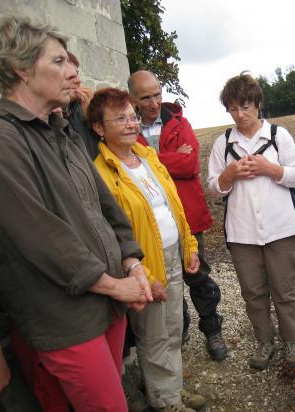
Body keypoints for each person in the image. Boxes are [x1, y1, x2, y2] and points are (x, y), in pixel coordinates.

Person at [0, 17, 153, 412]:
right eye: (60, 61)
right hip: (66, 317)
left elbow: (104, 206)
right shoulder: (3, 140)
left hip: (109, 300)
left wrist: (132, 263)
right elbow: (40, 236)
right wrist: (116, 285)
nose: (73, 72)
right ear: (22, 68)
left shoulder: (61, 129)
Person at [89, 87, 207, 412]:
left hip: (172, 254)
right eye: (120, 119)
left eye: (131, 116)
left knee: (174, 330)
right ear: (99, 128)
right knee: (154, 338)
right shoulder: (102, 173)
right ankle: (165, 402)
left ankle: (173, 391)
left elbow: (174, 207)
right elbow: (113, 235)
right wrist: (145, 276)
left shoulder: (148, 158)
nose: (130, 124)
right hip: (144, 267)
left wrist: (190, 247)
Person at [207, 72, 295, 370]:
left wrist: (270, 169)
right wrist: (229, 175)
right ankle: (265, 342)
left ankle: (292, 342)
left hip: (281, 229)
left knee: (285, 291)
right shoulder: (223, 143)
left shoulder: (278, 136)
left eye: (245, 107)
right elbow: (213, 189)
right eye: (233, 109)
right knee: (253, 294)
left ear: (257, 103)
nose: (239, 114)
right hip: (242, 234)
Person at [128, 70, 228, 361]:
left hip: (186, 214)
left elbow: (188, 164)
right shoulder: (129, 128)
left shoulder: (180, 123)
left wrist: (147, 160)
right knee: (167, 278)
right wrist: (163, 159)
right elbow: (130, 172)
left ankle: (212, 328)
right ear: (133, 99)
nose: (154, 102)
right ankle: (180, 328)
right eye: (145, 97)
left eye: (157, 94)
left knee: (197, 275)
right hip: (152, 220)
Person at [63, 51, 100, 159]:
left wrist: (92, 115)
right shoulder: (48, 113)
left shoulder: (83, 106)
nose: (79, 81)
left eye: (77, 74)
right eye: (70, 76)